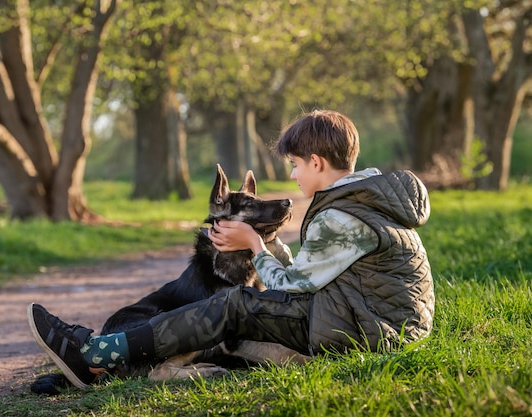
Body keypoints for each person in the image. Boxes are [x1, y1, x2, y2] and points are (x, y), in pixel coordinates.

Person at [28, 109, 435, 389]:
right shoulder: (365, 200)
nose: (292, 175)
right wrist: (269, 243)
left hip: (368, 333)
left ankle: (96, 352)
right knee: (241, 308)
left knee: (233, 305)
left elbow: (294, 286)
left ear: (315, 162)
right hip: (382, 324)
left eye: (294, 164)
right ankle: (110, 355)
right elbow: (314, 271)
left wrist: (255, 244)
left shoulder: (340, 216)